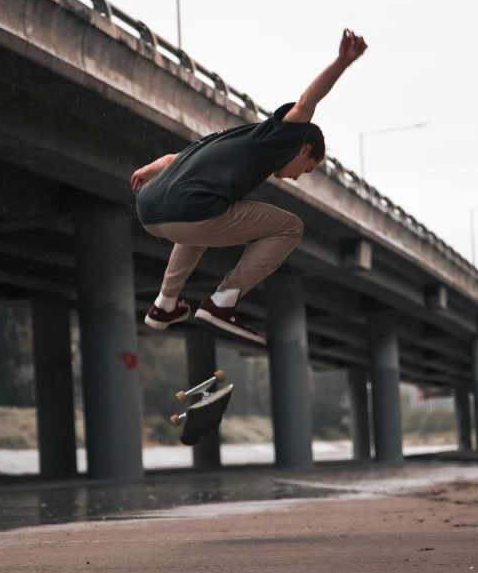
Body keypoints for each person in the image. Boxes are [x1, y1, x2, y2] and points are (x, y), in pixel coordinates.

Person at [132, 29, 367, 345]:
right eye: (306, 170)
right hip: (191, 208)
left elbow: (174, 158)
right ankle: (223, 301)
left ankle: (164, 305)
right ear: (305, 150)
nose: (297, 177)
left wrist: (148, 169)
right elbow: (307, 102)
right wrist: (342, 62)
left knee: (200, 219)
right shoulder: (283, 139)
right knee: (290, 227)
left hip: (150, 208)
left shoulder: (231, 139)